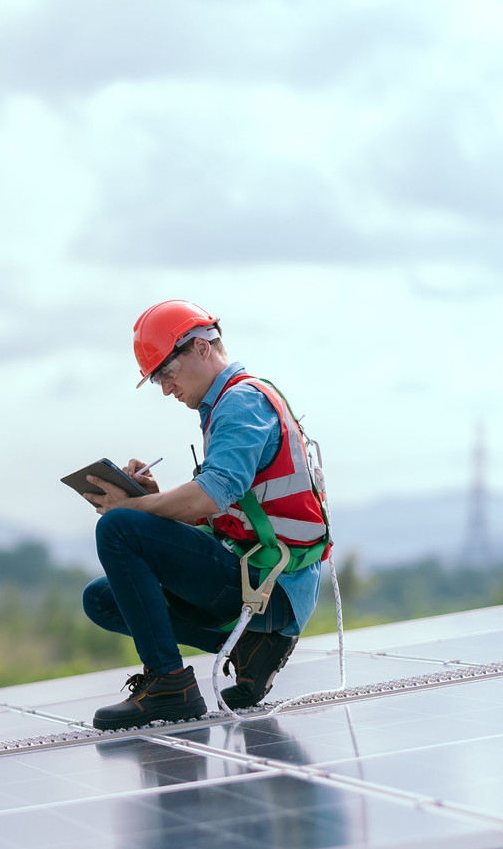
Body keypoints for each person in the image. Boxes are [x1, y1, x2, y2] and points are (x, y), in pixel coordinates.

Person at [77, 299, 330, 730]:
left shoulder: (241, 403)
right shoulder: (229, 406)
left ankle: (170, 685)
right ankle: (251, 647)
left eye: (166, 374)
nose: (166, 389)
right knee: (102, 599)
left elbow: (209, 496)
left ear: (200, 348)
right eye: (157, 379)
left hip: (272, 583)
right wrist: (153, 500)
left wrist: (133, 507)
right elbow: (228, 511)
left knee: (118, 527)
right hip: (259, 575)